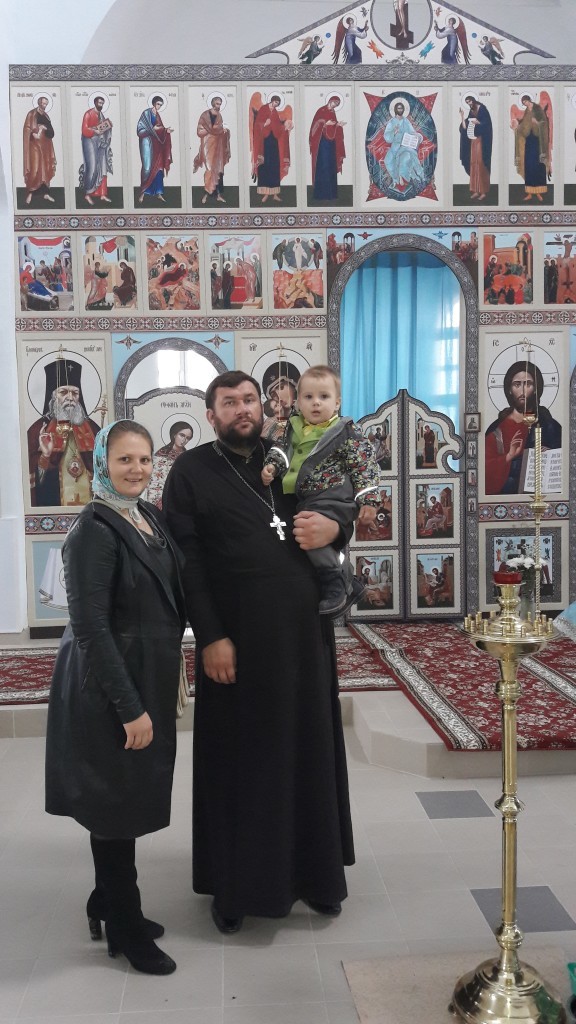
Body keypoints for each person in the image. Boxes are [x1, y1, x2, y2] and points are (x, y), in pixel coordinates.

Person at [163, 370, 355, 933]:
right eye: (230, 403)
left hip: (302, 637)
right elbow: (187, 563)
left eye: (250, 399)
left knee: (308, 752)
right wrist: (210, 636)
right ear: (211, 415)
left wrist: (335, 531)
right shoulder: (191, 472)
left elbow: (339, 505)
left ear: (265, 406)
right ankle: (237, 886)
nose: (243, 409)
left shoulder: (289, 456)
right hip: (238, 641)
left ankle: (316, 876)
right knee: (242, 763)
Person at [45, 420, 186, 974]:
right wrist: (130, 707)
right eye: (125, 459)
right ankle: (125, 928)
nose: (137, 470)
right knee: (113, 805)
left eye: (145, 459)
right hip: (108, 684)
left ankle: (107, 902)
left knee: (124, 798)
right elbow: (90, 627)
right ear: (103, 462)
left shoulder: (145, 515)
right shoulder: (94, 530)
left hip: (142, 672)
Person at [261, 365, 379, 615]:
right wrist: (272, 465)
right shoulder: (292, 427)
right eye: (308, 397)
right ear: (298, 403)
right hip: (308, 496)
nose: (316, 403)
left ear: (337, 403)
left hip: (333, 493)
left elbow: (363, 465)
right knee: (304, 536)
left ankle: (335, 580)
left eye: (324, 396)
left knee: (310, 534)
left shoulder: (345, 431)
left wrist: (368, 500)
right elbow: (282, 450)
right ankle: (352, 583)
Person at [27, 358, 100, 507]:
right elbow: (33, 482)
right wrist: (45, 455)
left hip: (91, 509)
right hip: (54, 505)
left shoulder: (93, 429)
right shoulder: (38, 430)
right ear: (53, 396)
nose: (70, 398)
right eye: (63, 392)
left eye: (75, 393)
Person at [485, 360, 562, 494]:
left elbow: (566, 462)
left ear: (536, 388)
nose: (522, 390)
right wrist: (509, 456)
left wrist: (552, 456)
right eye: (517, 384)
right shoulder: (497, 429)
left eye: (528, 384)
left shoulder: (549, 425)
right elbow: (484, 468)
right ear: (509, 389)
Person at [250, 95, 293, 203]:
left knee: (274, 167)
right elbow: (257, 125)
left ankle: (275, 194)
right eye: (275, 102)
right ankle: (265, 194)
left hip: (273, 143)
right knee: (265, 167)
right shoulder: (263, 109)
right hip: (264, 143)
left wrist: (285, 127)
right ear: (272, 101)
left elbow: (278, 128)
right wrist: (264, 124)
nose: (276, 105)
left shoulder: (275, 113)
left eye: (278, 104)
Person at [511, 94, 551, 202]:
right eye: (523, 103)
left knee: (538, 165)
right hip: (529, 141)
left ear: (529, 100)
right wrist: (516, 127)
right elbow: (523, 125)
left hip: (538, 142)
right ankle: (529, 193)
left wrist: (537, 123)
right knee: (529, 165)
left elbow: (544, 123)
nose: (525, 104)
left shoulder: (538, 109)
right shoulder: (526, 112)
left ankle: (538, 192)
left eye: (525, 101)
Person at [146, 421, 194, 509]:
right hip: (158, 500)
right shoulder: (161, 454)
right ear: (174, 434)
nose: (184, 440)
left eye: (188, 438)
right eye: (182, 435)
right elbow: (155, 482)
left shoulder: (187, 458)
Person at [193, 94, 231, 205]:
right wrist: (213, 129)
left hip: (218, 144)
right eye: (217, 104)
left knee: (218, 170)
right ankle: (206, 194)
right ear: (213, 103)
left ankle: (218, 195)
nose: (219, 106)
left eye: (220, 104)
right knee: (209, 169)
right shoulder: (205, 115)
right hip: (208, 143)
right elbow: (200, 131)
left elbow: (220, 128)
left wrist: (224, 131)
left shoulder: (219, 115)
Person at [309, 96, 346, 202]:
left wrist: (338, 125)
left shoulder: (333, 112)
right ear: (330, 101)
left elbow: (333, 127)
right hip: (322, 143)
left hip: (331, 144)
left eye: (337, 104)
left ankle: (332, 194)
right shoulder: (321, 110)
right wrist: (325, 124)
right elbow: (315, 126)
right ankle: (321, 195)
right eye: (335, 102)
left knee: (331, 166)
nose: (335, 105)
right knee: (323, 166)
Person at [137, 96, 173, 203]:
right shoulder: (146, 113)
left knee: (159, 167)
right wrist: (153, 129)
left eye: (161, 105)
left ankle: (158, 192)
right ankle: (143, 192)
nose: (159, 106)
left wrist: (166, 130)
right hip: (147, 143)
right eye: (158, 104)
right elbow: (140, 130)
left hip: (157, 145)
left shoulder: (157, 115)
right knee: (147, 167)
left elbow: (160, 128)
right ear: (153, 103)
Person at [79, 94, 113, 205]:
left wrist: (107, 127)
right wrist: (95, 131)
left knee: (102, 167)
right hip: (89, 142)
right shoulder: (88, 114)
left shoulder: (101, 115)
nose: (101, 105)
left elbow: (103, 129)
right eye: (99, 103)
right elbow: (84, 130)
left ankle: (102, 194)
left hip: (100, 143)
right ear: (95, 103)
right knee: (92, 167)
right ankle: (87, 194)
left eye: (102, 103)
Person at [383, 101, 424, 190]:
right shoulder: (391, 122)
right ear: (395, 109)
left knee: (404, 159)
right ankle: (396, 179)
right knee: (388, 161)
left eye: (401, 108)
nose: (400, 110)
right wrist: (394, 132)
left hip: (405, 145)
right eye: (398, 108)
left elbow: (412, 132)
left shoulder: (406, 121)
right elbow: (387, 137)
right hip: (395, 146)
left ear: (404, 109)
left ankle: (403, 178)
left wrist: (417, 136)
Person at [23, 95, 56, 204]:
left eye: (46, 104)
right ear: (39, 103)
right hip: (34, 145)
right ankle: (31, 193)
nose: (44, 105)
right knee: (35, 167)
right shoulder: (31, 114)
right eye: (43, 103)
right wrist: (33, 132)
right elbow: (27, 128)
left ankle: (46, 193)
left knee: (45, 167)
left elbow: (51, 132)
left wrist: (46, 129)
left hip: (45, 146)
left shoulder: (46, 116)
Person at [459, 95, 492, 201]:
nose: (469, 104)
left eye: (469, 101)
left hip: (481, 141)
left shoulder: (482, 109)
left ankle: (483, 191)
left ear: (473, 100)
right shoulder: (471, 111)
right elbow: (464, 127)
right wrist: (462, 116)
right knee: (473, 164)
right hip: (473, 141)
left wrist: (479, 123)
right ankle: (475, 190)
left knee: (480, 164)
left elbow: (487, 125)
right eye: (467, 102)